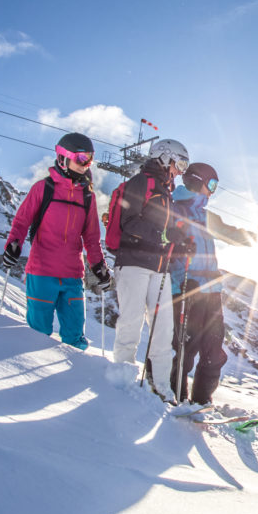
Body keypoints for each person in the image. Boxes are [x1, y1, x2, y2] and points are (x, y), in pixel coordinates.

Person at [0, 133, 110, 350]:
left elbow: (91, 238)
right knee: (37, 334)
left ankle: (75, 377)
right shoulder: (44, 188)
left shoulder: (87, 196)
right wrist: (13, 245)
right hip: (42, 272)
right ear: (63, 157)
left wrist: (99, 266)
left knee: (75, 335)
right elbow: (22, 221)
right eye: (81, 158)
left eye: (89, 159)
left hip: (72, 275)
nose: (86, 164)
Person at [167, 162, 258, 405]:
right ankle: (175, 398)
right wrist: (175, 246)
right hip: (187, 288)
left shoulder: (209, 217)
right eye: (212, 185)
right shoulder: (173, 209)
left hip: (212, 292)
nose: (213, 191)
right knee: (185, 350)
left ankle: (201, 401)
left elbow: (235, 235)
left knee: (214, 352)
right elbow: (162, 239)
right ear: (198, 182)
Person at [106, 138, 192, 402]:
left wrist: (179, 241)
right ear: (164, 157)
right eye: (179, 163)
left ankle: (163, 388)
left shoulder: (166, 192)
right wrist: (165, 234)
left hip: (159, 267)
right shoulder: (141, 182)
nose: (180, 171)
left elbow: (164, 232)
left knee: (163, 329)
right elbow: (129, 222)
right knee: (131, 321)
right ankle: (123, 380)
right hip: (133, 263)